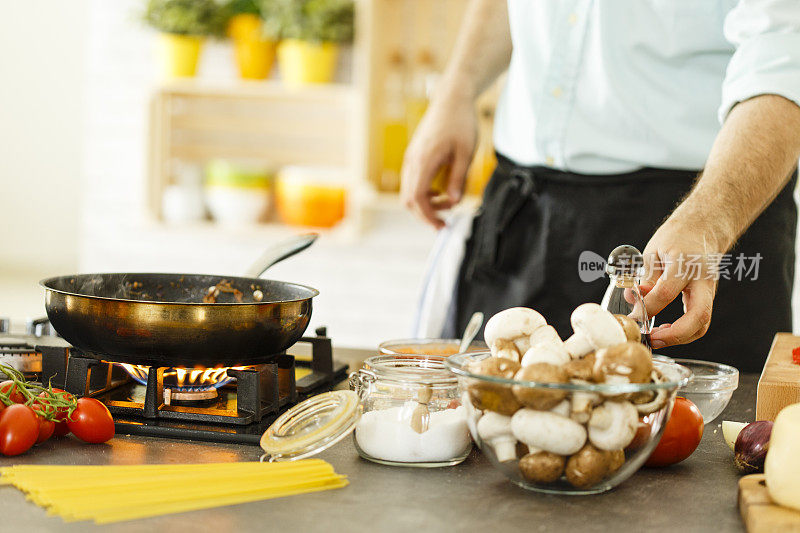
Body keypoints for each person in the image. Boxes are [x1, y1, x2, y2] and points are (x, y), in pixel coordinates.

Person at [401, 0, 800, 373]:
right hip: (525, 211)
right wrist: (457, 88)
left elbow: (785, 57)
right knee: (493, 419)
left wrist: (708, 221)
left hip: (699, 224)